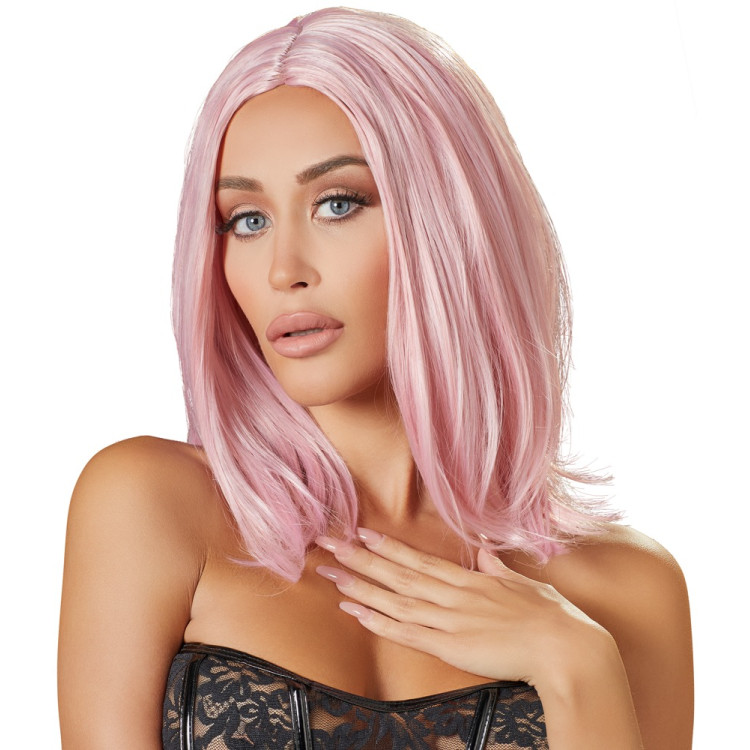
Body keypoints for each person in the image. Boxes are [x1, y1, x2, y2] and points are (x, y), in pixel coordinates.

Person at [57, 8, 693, 749]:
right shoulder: (150, 505)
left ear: (449, 222)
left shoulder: (628, 590)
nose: (284, 270)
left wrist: (572, 661)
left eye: (338, 203)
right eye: (247, 219)